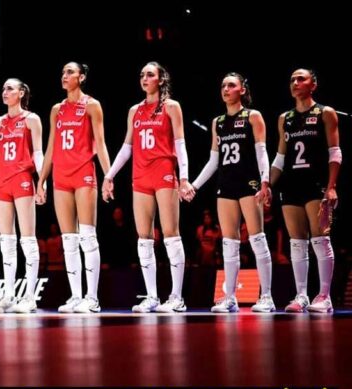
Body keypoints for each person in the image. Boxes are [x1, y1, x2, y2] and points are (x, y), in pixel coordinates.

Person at [102, 61, 193, 313]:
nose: (144, 78)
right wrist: (109, 176)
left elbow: (180, 144)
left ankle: (176, 297)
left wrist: (184, 178)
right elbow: (126, 148)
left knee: (171, 234)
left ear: (161, 80)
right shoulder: (135, 110)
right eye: (142, 74)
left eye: (150, 74)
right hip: (140, 177)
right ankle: (152, 296)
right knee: (144, 238)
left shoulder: (172, 107)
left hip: (164, 173)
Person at [186, 72, 275, 312]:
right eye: (223, 85)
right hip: (225, 185)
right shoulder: (218, 122)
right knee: (229, 242)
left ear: (242, 90)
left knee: (257, 239)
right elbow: (213, 160)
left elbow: (262, 152)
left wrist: (265, 181)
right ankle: (230, 298)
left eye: (231, 85)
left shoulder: (253, 116)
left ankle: (267, 296)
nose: (226, 89)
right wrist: (194, 185)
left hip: (249, 183)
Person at [37, 62, 111, 313]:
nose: (64, 76)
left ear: (82, 77)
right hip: (61, 176)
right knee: (68, 240)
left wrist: (109, 176)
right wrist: (41, 180)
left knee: (88, 237)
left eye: (70, 72)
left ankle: (92, 298)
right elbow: (50, 147)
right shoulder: (56, 109)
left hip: (83, 173)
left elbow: (100, 143)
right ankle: (76, 296)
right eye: (63, 72)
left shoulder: (92, 105)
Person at [270, 68, 341, 313]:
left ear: (314, 84)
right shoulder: (285, 118)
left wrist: (331, 187)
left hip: (316, 183)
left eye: (301, 79)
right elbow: (280, 157)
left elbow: (335, 153)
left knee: (320, 239)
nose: (295, 83)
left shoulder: (325, 113)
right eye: (292, 79)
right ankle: (301, 296)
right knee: (297, 242)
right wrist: (267, 184)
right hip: (291, 184)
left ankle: (324, 296)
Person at [0, 79, 44, 313]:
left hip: (22, 179)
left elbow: (38, 153)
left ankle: (30, 297)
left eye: (10, 89)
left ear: (21, 93)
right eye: (3, 89)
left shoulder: (31, 119)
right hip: (0, 183)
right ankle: (8, 296)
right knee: (6, 241)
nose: (5, 92)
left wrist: (42, 182)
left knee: (28, 239)